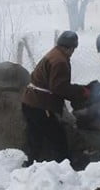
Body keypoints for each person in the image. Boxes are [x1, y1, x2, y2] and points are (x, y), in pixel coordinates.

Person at [21, 30, 90, 167]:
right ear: (70, 48)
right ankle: (64, 170)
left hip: (29, 102)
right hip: (41, 106)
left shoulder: (54, 54)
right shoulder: (60, 61)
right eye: (73, 49)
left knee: (35, 139)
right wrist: (80, 92)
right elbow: (59, 88)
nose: (73, 52)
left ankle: (30, 166)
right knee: (58, 140)